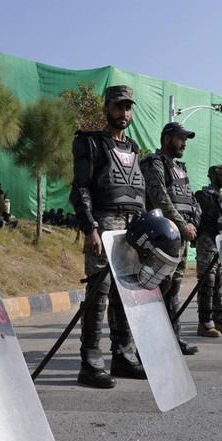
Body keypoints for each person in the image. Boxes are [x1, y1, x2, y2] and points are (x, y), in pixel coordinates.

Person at [69, 85, 147, 388]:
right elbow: (81, 189)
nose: (123, 113)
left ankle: (124, 357)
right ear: (107, 109)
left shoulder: (135, 147)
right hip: (103, 227)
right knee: (98, 296)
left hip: (132, 230)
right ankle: (90, 362)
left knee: (125, 294)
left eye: (128, 107)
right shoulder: (90, 143)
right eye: (118, 107)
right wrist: (90, 228)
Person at [140, 122, 201, 354]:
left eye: (185, 138)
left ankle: (173, 339)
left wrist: (193, 222)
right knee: (159, 288)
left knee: (173, 289)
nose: (184, 142)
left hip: (181, 238)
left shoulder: (180, 169)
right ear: (166, 139)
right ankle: (148, 345)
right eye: (180, 138)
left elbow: (191, 200)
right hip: (162, 239)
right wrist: (183, 225)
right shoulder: (154, 164)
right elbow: (160, 199)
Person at [194, 165, 222, 338]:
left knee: (218, 282)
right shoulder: (203, 196)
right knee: (207, 282)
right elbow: (199, 217)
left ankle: (218, 320)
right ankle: (204, 323)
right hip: (207, 243)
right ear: (212, 176)